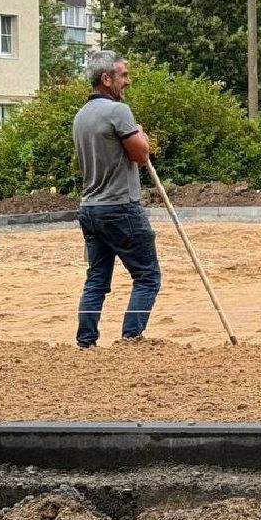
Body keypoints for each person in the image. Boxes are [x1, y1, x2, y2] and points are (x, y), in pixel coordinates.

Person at [73, 51, 161, 348]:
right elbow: (140, 154)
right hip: (120, 208)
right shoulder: (118, 111)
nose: (128, 80)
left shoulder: (80, 116)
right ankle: (131, 338)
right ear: (106, 78)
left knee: (96, 278)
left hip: (89, 208)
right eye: (123, 75)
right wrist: (141, 134)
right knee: (148, 275)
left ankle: (86, 342)